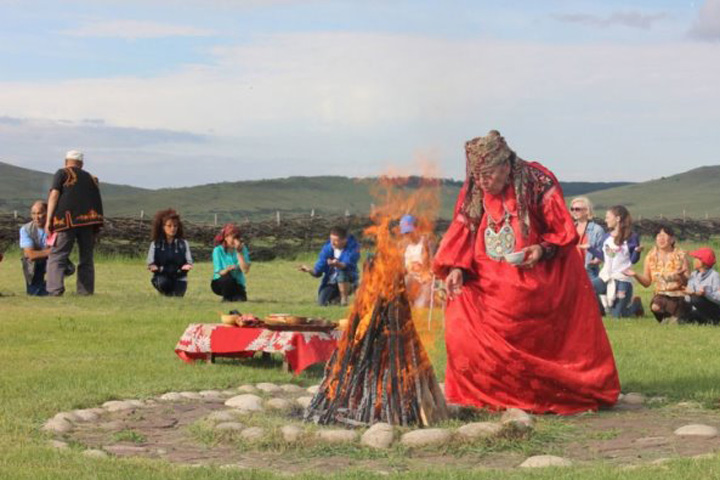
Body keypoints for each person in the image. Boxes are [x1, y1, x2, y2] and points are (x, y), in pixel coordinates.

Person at [432, 130, 620, 415]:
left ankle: (540, 391)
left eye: (489, 174)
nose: (483, 181)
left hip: (536, 270)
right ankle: (483, 392)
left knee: (524, 308)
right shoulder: (475, 188)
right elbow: (464, 230)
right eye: (477, 175)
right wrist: (457, 267)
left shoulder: (537, 180)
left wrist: (541, 250)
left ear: (506, 166)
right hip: (485, 276)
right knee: (460, 315)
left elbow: (562, 231)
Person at [45, 150, 103, 296]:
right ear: (81, 164)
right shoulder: (92, 178)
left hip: (66, 221)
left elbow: (54, 195)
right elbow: (96, 201)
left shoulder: (62, 173)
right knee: (86, 258)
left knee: (58, 255)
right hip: (88, 222)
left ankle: (54, 290)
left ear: (66, 161)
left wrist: (49, 219)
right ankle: (85, 292)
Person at [624, 225, 689, 324]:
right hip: (661, 295)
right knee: (655, 307)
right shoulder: (650, 256)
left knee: (677, 322)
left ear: (672, 239)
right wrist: (635, 274)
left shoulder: (681, 255)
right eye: (658, 235)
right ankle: (670, 317)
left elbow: (688, 281)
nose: (661, 238)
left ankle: (678, 315)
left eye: (664, 235)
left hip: (679, 294)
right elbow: (647, 282)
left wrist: (681, 276)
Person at [589, 206, 643, 318]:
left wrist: (637, 252)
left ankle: (636, 305)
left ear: (618, 218)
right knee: (587, 288)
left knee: (617, 316)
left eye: (608, 217)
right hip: (606, 277)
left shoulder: (632, 237)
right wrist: (590, 248)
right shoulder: (606, 237)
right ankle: (600, 311)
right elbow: (606, 257)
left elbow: (633, 260)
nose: (605, 220)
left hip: (623, 279)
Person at [298, 226, 360, 306]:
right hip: (332, 280)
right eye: (331, 240)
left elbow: (347, 265)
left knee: (342, 272)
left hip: (349, 277)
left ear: (344, 240)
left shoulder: (353, 248)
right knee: (322, 303)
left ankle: (345, 298)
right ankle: (337, 298)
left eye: (336, 240)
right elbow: (318, 272)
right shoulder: (327, 249)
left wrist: (337, 264)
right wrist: (309, 270)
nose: (332, 243)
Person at [146, 209, 193, 297]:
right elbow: (150, 263)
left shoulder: (183, 243)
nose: (173, 228)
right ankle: (164, 291)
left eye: (175, 226)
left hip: (179, 276)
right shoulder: (155, 243)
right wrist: (152, 266)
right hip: (162, 276)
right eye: (169, 226)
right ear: (163, 227)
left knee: (177, 297)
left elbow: (189, 261)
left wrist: (188, 265)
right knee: (163, 284)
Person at [399, 214, 434, 308]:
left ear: (416, 228)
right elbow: (405, 268)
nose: (408, 235)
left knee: (420, 306)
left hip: (425, 281)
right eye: (406, 233)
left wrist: (422, 270)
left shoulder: (425, 242)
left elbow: (430, 264)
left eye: (410, 232)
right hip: (411, 280)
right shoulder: (406, 246)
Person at [211, 224, 251, 302]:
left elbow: (245, 270)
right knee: (227, 279)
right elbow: (219, 271)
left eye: (237, 238)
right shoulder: (218, 250)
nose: (235, 240)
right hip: (220, 281)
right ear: (226, 238)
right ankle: (226, 298)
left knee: (241, 300)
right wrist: (227, 269)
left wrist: (239, 252)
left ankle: (234, 296)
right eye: (233, 237)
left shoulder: (243, 249)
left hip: (237, 282)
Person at [570, 196, 604, 280]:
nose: (574, 211)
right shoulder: (569, 229)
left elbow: (601, 252)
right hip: (570, 270)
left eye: (577, 209)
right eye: (572, 209)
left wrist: (596, 260)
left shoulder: (597, 230)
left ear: (586, 211)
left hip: (588, 271)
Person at [684, 247, 720, 325]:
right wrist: (687, 293)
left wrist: (706, 294)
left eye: (696, 258)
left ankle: (713, 320)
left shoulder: (714, 276)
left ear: (703, 262)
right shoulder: (693, 275)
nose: (693, 260)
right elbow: (688, 296)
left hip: (713, 308)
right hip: (696, 308)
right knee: (682, 320)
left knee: (696, 299)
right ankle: (703, 319)